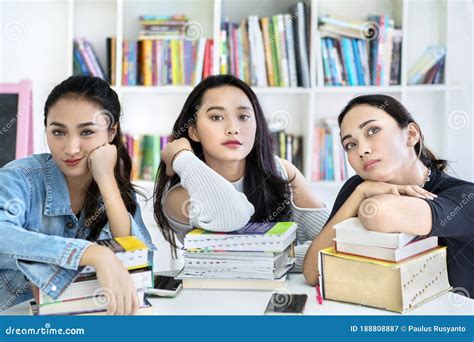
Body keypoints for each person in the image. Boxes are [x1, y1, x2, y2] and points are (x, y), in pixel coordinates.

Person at [0, 76, 154, 314]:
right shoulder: (20, 178)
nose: (71, 148)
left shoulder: (113, 192)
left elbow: (141, 263)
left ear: (111, 132)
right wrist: (92, 254)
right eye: (59, 132)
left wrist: (106, 179)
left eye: (87, 132)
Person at [303, 94, 474, 298]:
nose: (362, 150)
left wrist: (365, 195)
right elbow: (313, 272)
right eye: (350, 145)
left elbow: (378, 214)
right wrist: (360, 192)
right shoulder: (357, 188)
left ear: (411, 134)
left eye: (373, 130)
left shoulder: (464, 196)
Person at [153, 75, 330, 272]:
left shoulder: (280, 171)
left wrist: (277, 259)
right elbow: (233, 215)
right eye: (216, 117)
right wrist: (182, 158)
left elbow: (333, 241)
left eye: (243, 117)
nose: (233, 129)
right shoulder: (179, 196)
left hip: (280, 298)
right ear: (193, 131)